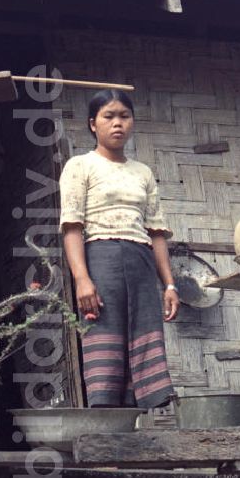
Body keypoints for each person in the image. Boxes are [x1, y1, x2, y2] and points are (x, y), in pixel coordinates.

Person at [59, 90, 179, 408]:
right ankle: (106, 432)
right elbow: (72, 227)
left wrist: (168, 284)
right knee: (104, 338)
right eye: (108, 116)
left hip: (141, 262)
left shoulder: (143, 173)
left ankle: (142, 433)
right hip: (101, 260)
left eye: (124, 116)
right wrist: (82, 279)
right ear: (92, 124)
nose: (117, 124)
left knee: (144, 338)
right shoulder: (80, 166)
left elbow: (156, 232)